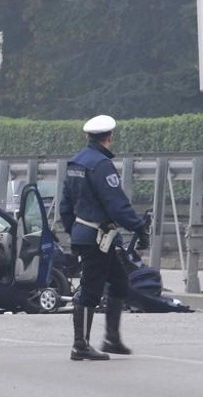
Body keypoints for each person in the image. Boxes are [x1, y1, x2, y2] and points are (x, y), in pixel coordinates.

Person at [60, 114, 150, 361]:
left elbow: (65, 205)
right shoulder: (101, 165)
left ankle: (112, 339)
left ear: (88, 136)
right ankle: (80, 345)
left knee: (120, 282)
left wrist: (75, 231)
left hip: (87, 234)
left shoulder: (75, 163)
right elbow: (117, 205)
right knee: (90, 290)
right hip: (98, 237)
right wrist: (140, 228)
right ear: (109, 137)